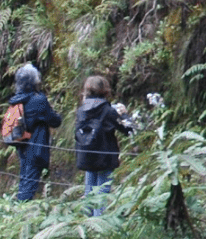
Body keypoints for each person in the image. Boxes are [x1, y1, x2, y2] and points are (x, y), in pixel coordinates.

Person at [75, 75, 134, 211]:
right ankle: (98, 225)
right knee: (102, 194)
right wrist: (124, 114)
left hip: (86, 156)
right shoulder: (108, 111)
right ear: (105, 91)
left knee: (89, 193)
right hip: (104, 158)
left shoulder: (81, 111)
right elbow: (128, 129)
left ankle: (87, 224)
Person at [7, 63, 62, 202]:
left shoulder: (16, 100)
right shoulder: (38, 100)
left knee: (24, 177)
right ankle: (22, 213)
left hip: (22, 143)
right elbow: (55, 121)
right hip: (36, 144)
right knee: (30, 181)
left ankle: (19, 210)